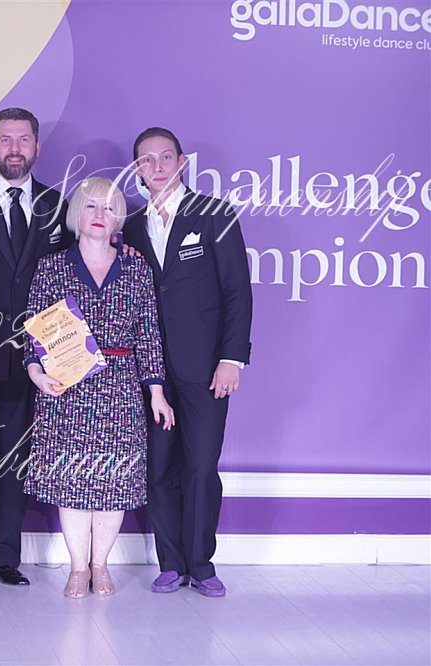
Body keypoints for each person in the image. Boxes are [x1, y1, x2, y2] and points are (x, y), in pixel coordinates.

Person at [23, 177, 173, 597]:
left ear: (119, 217)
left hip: (121, 388)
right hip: (66, 387)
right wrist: (36, 374)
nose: (99, 215)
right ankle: (77, 568)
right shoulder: (52, 267)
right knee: (72, 479)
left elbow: (148, 334)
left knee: (114, 481)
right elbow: (33, 330)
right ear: (77, 213)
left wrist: (156, 391)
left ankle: (100, 565)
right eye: (90, 206)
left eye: (109, 207)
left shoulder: (137, 268)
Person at [122, 127, 253, 598]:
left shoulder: (214, 214)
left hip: (205, 367)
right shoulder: (130, 227)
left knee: (200, 466)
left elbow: (238, 291)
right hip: (151, 372)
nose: (156, 167)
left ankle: (201, 563)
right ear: (137, 169)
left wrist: (231, 358)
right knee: (159, 468)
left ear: (182, 162)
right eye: (146, 160)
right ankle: (171, 563)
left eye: (165, 157)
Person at [0, 108, 71, 586]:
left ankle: (2, 557)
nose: (15, 148)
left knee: (13, 460)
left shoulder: (58, 205)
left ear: (37, 147)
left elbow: (75, 267)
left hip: (32, 359)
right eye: (6, 139)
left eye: (24, 139)